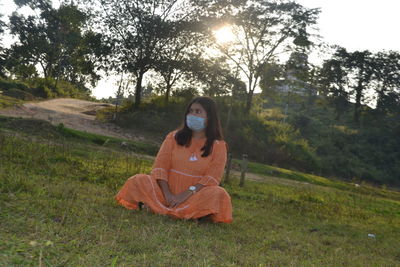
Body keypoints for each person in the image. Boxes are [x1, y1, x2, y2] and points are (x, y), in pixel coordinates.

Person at [115, 96, 232, 223]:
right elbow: (161, 166)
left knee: (219, 193)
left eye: (198, 112)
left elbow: (212, 177)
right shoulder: (173, 137)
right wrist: (168, 194)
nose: (192, 115)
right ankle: (185, 213)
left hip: (193, 196)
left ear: (209, 117)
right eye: (190, 111)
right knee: (138, 180)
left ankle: (171, 209)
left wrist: (185, 194)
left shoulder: (218, 146)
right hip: (165, 193)